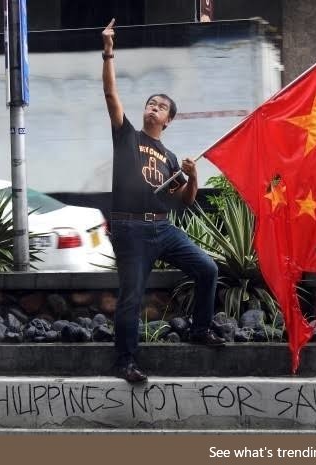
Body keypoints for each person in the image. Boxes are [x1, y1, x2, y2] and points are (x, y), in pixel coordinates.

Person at [101, 19, 225, 383]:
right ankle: (125, 361)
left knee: (208, 269)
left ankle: (199, 329)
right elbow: (111, 96)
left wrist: (192, 174)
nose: (152, 108)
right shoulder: (126, 137)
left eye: (160, 107)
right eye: (150, 104)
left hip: (162, 226)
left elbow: (183, 201)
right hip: (130, 227)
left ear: (168, 120)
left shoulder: (169, 157)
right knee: (132, 296)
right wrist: (108, 52)